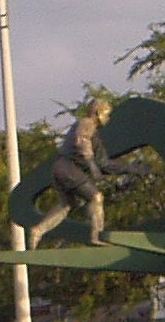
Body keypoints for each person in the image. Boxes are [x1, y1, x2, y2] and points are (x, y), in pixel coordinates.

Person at [30, 98, 132, 245]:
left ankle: (38, 231)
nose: (107, 118)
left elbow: (104, 162)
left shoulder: (92, 133)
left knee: (67, 205)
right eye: (106, 114)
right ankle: (97, 236)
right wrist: (92, 166)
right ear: (98, 113)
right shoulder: (86, 123)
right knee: (96, 198)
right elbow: (82, 141)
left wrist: (131, 169)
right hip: (68, 168)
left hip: (60, 168)